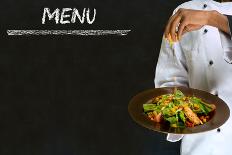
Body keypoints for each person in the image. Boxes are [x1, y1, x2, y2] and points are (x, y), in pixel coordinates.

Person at [155, 0, 232, 154]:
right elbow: (170, 80)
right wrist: (177, 112)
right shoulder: (184, 11)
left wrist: (212, 19)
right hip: (199, 146)